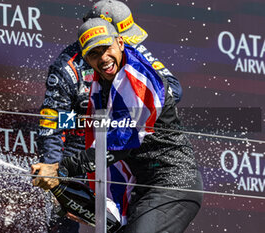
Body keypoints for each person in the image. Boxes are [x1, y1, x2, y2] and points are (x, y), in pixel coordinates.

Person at [33, 18, 203, 233]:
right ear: (86, 59)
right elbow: (88, 126)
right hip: (138, 187)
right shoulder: (102, 81)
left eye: (107, 49)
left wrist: (59, 169)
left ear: (120, 43)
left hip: (172, 183)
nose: (103, 58)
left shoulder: (137, 79)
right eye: (94, 54)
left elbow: (118, 145)